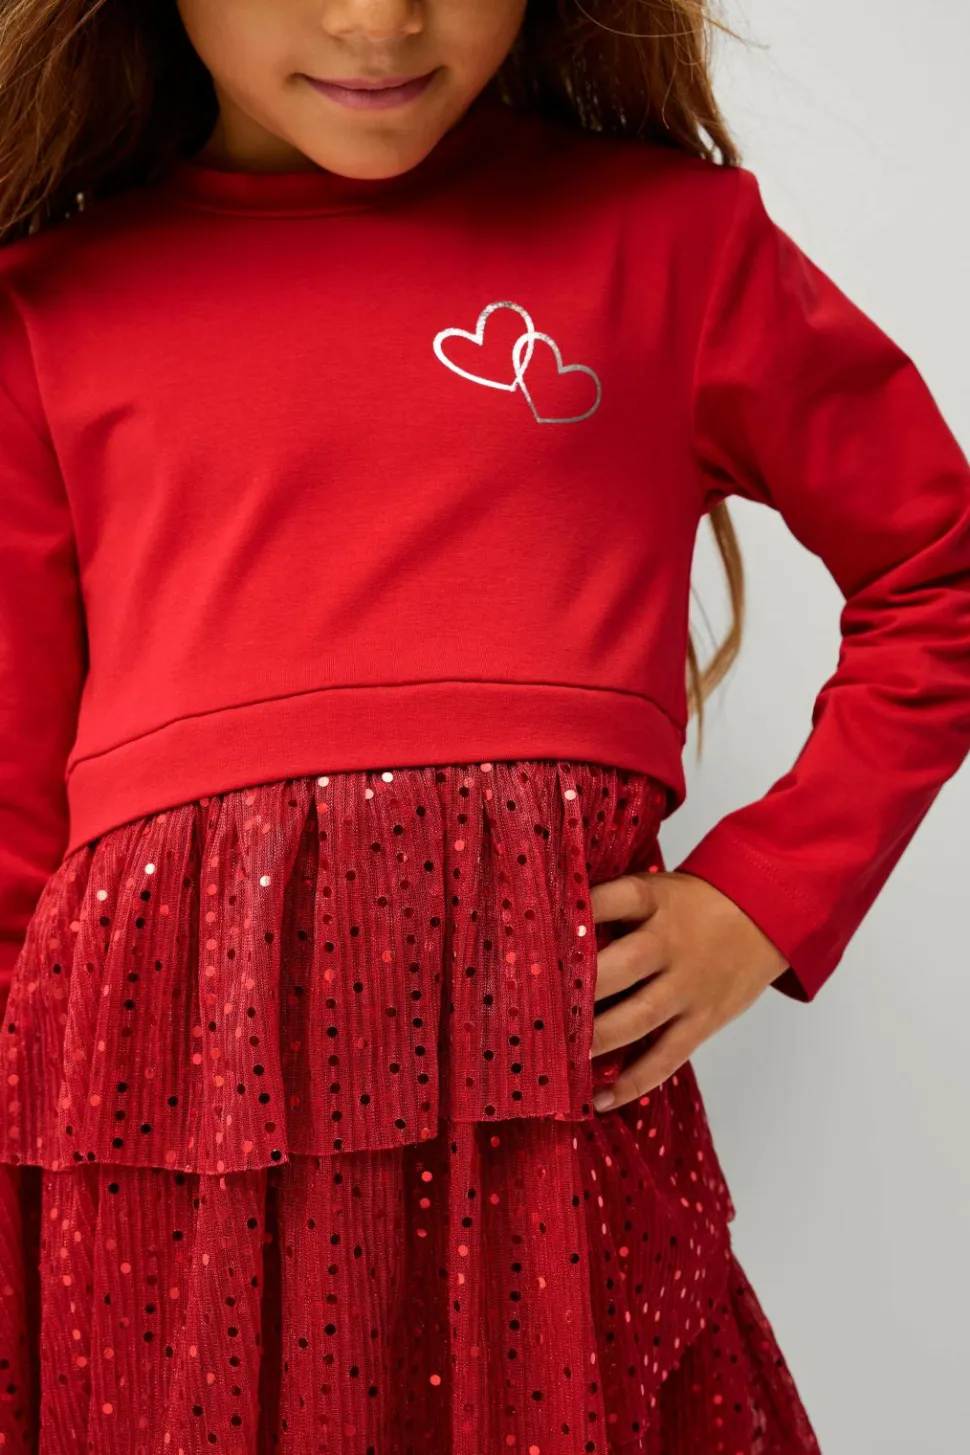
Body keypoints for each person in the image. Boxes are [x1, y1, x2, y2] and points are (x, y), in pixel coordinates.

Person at [0, 0, 968, 1450]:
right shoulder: (44, 314)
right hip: (162, 1189)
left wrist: (768, 896)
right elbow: (13, 855)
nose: (378, 18)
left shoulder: (669, 247)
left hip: (550, 1167)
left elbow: (937, 570)